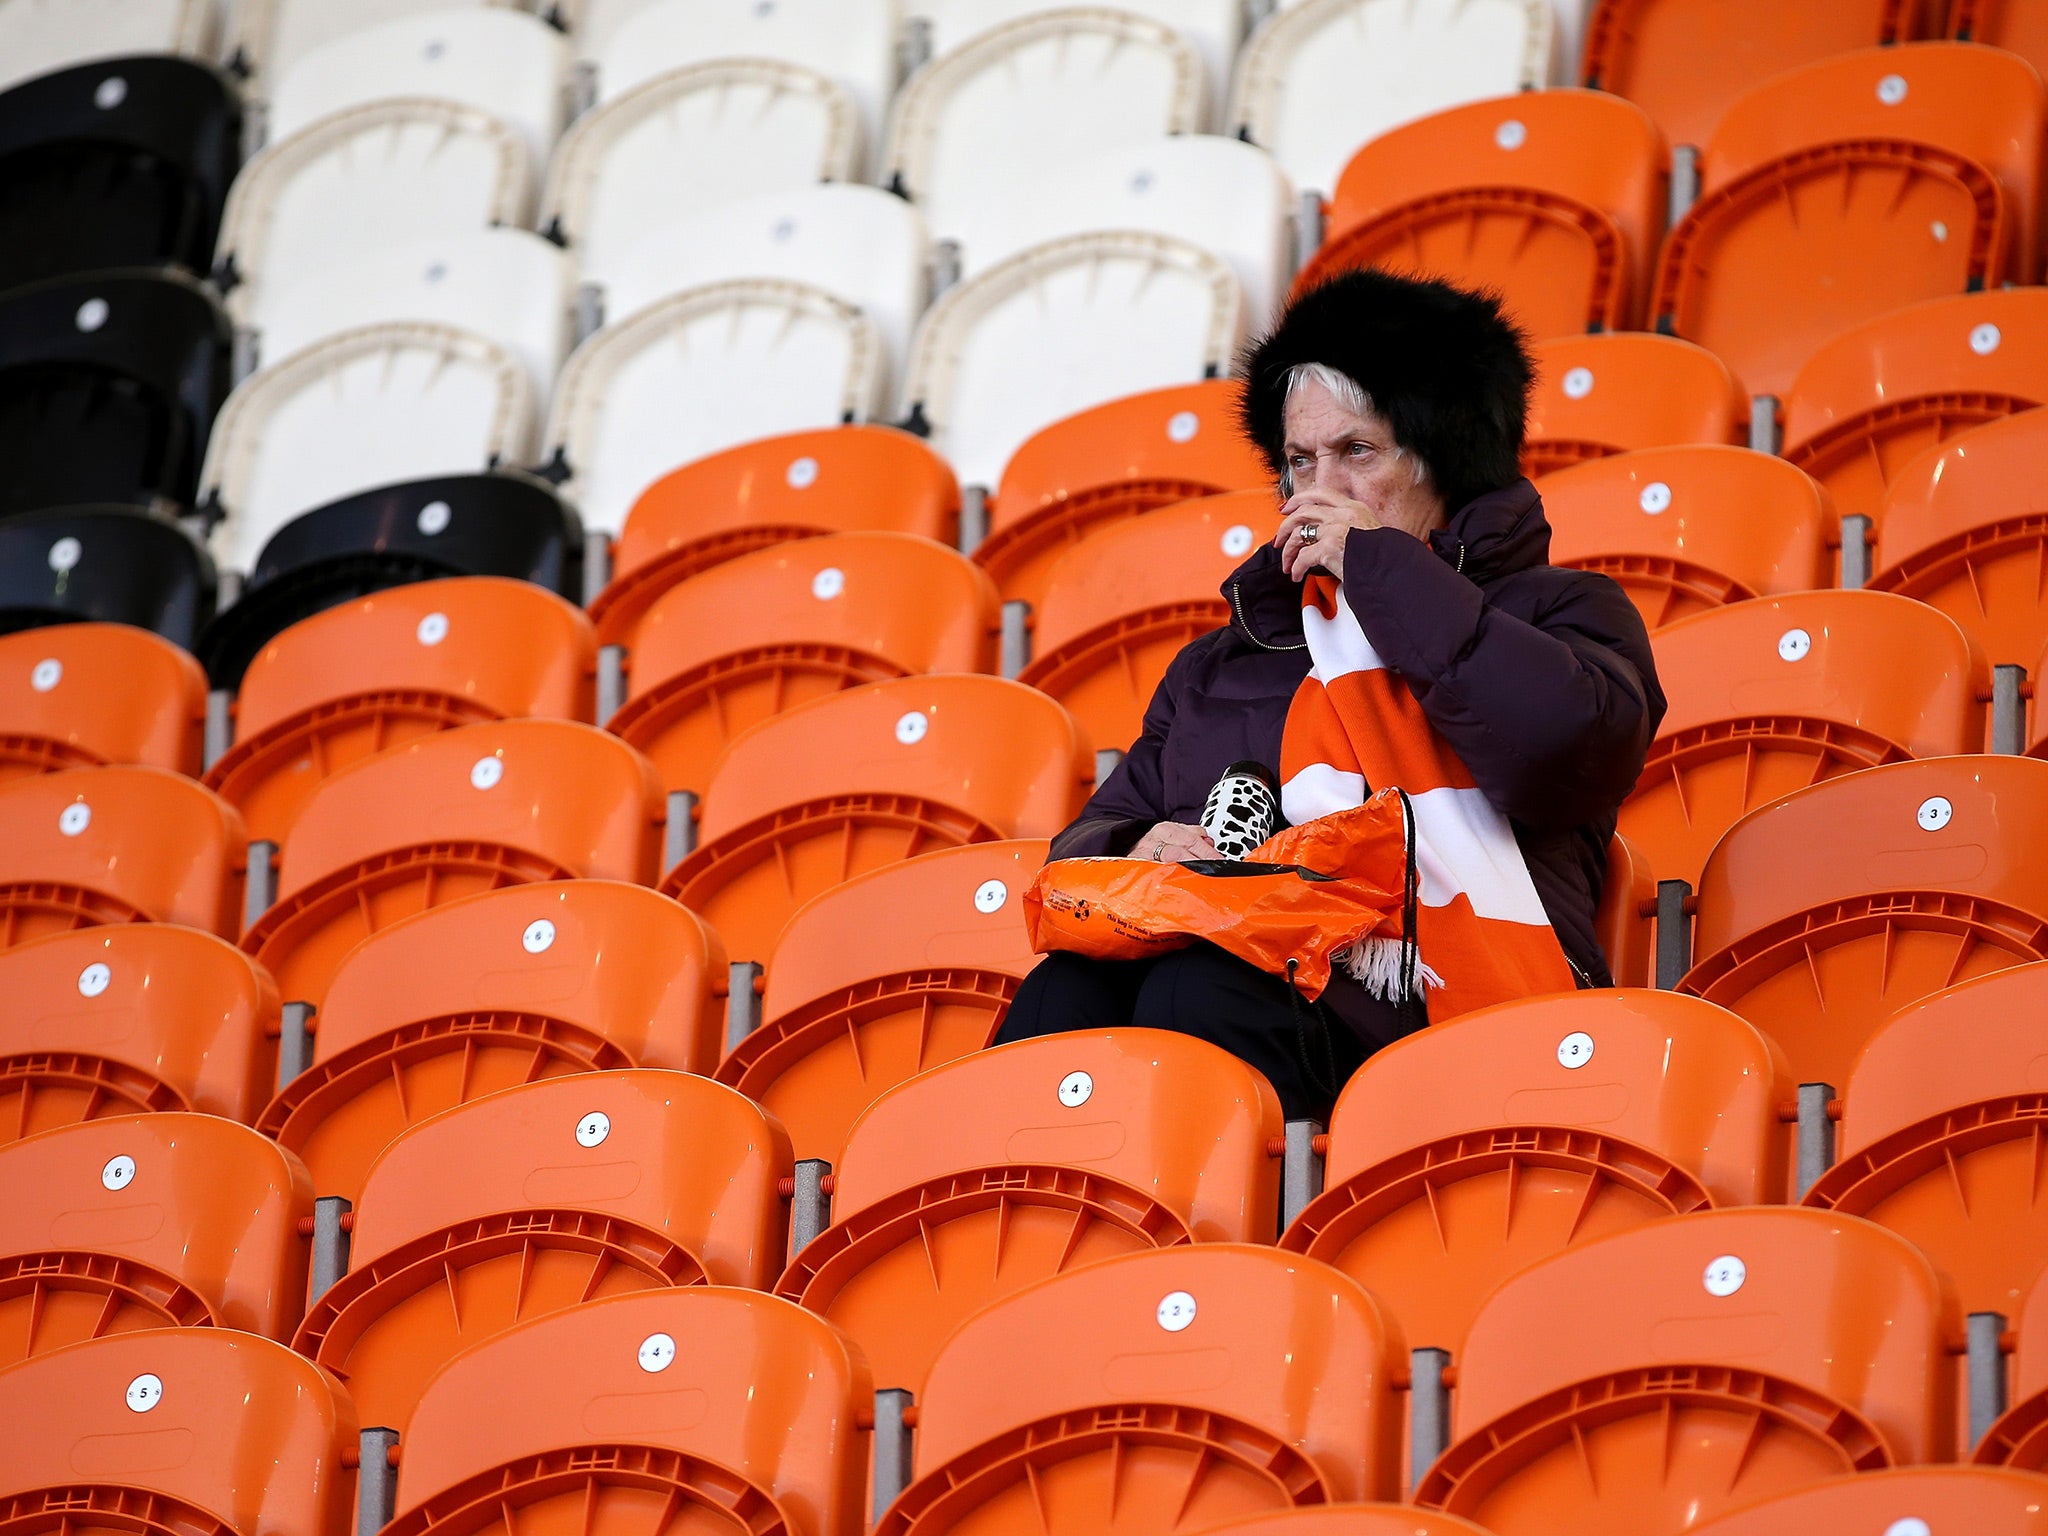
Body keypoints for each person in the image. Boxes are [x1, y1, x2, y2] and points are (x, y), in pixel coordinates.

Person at [995, 269, 1667, 1119]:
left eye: (1356, 453)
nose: (1318, 490)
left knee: (1200, 990)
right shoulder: (1220, 662)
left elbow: (1563, 755)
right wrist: (1140, 842)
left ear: (1443, 463)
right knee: (1065, 992)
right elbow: (1080, 853)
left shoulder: (1560, 610)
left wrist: (1382, 569)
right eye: (1299, 462)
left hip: (1422, 1005)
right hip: (1240, 963)